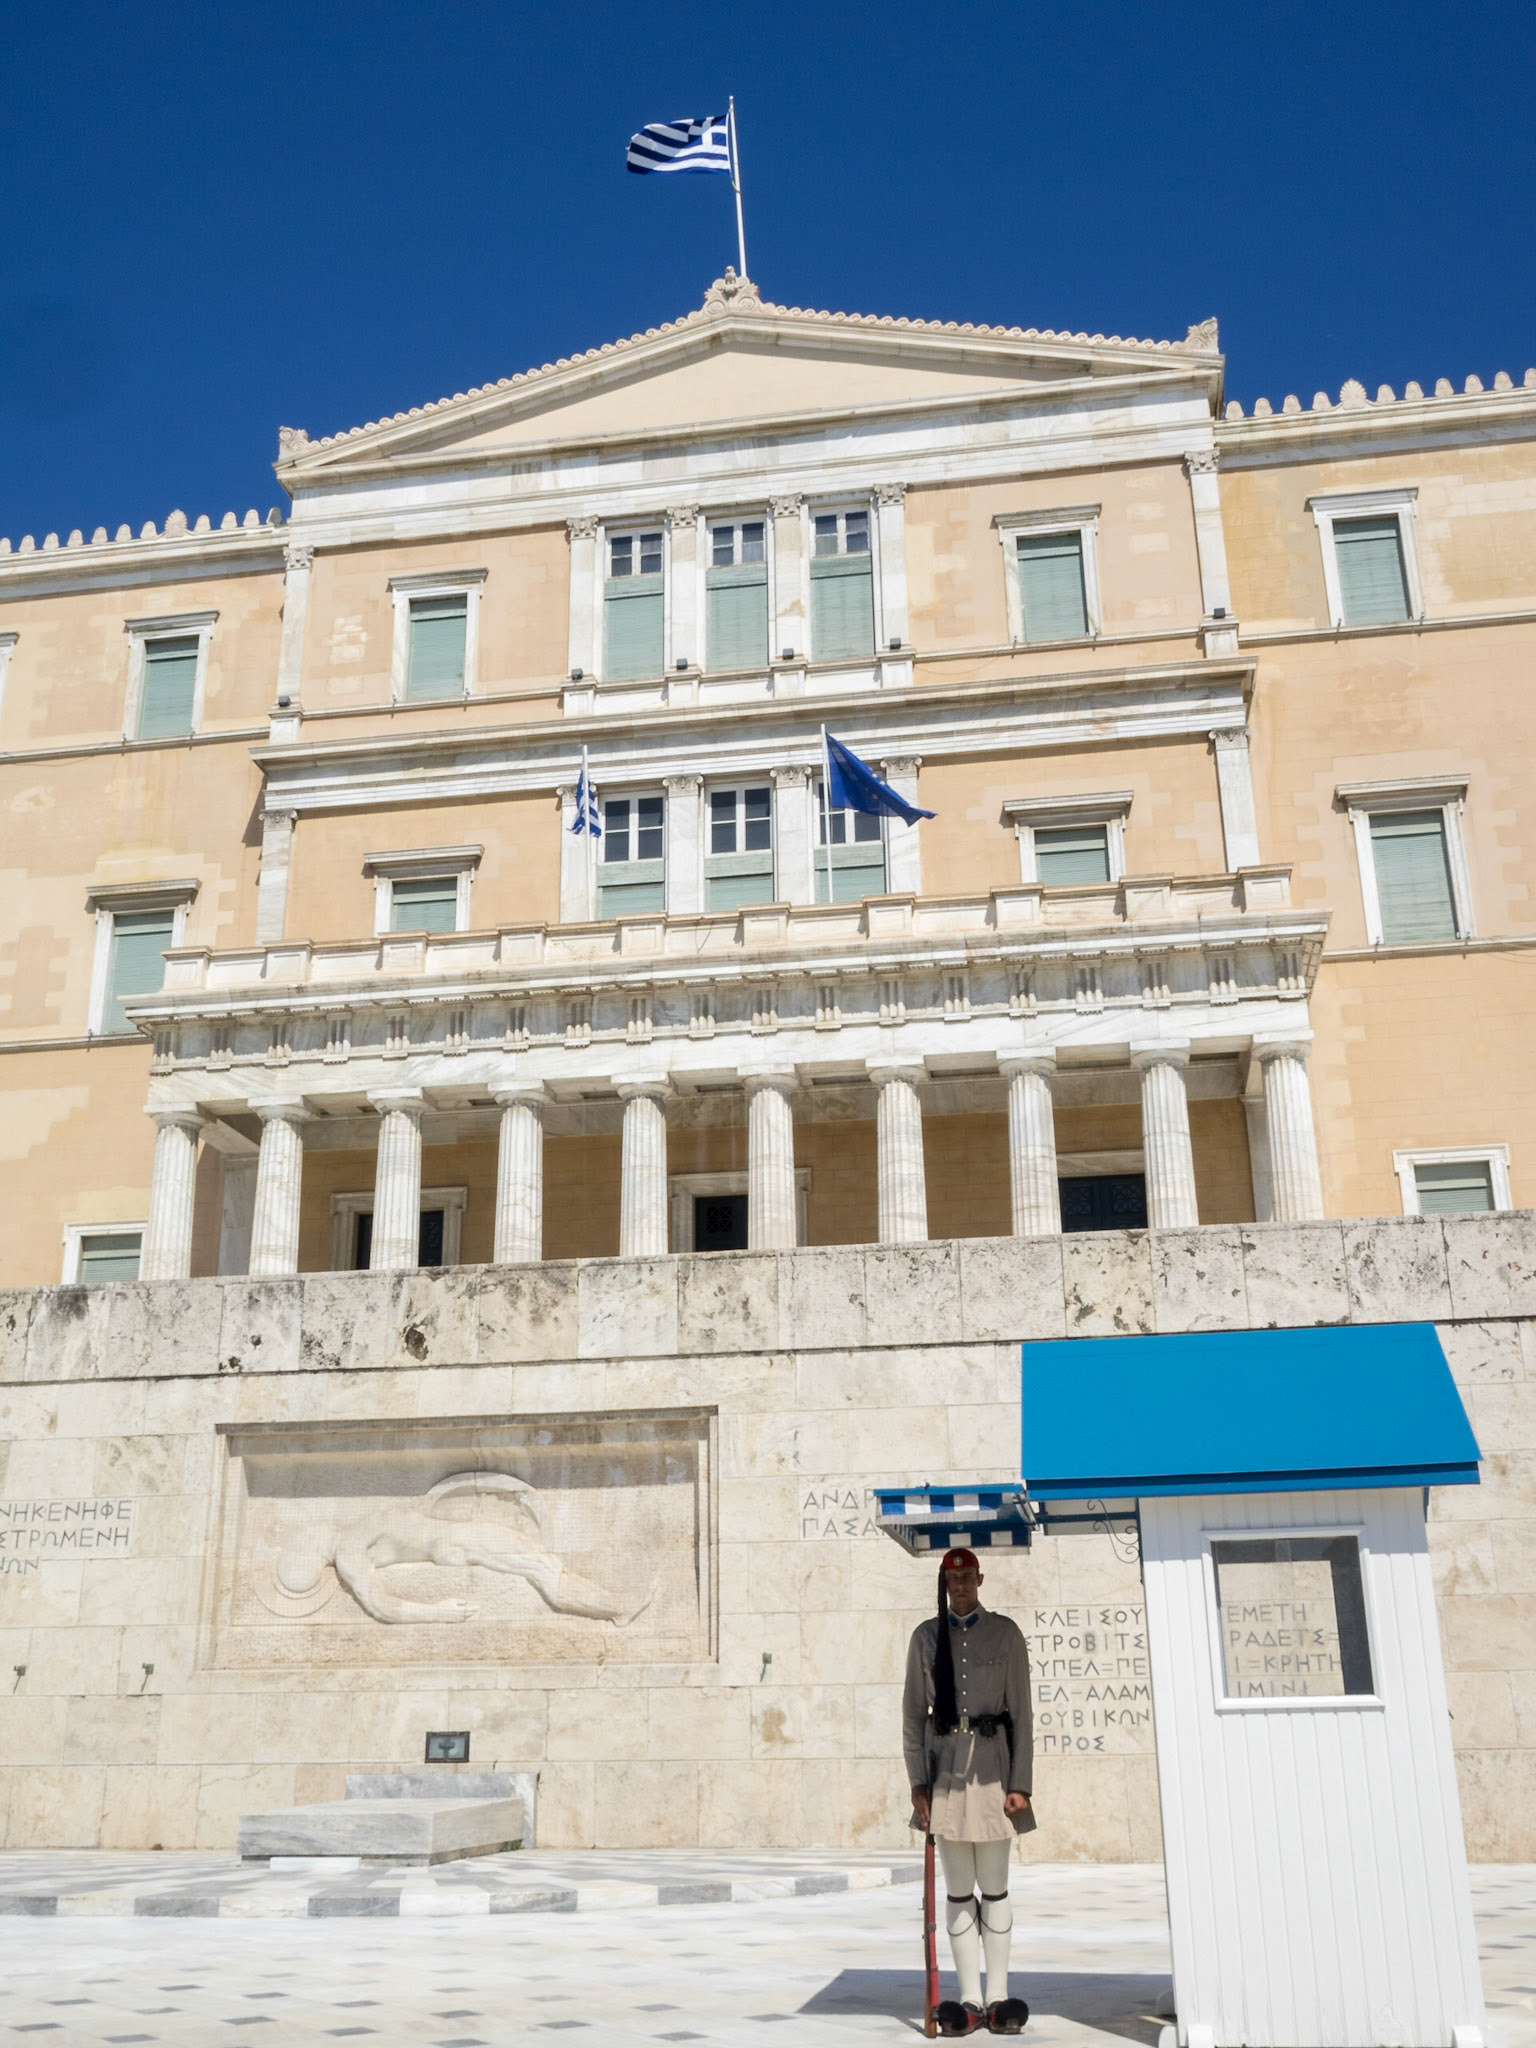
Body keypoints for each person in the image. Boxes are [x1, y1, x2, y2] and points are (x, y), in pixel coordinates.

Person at [903, 1547, 1034, 2037]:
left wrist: (1021, 1783)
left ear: (981, 1579)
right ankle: (969, 1998)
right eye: (952, 1578)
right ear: (944, 1583)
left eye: (967, 1577)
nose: (960, 1586)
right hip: (946, 1777)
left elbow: (1020, 1713)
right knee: (959, 1890)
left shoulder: (1005, 1633)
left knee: (995, 1887)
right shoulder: (925, 1637)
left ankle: (997, 1995)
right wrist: (918, 1781)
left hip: (994, 1773)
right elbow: (914, 1717)